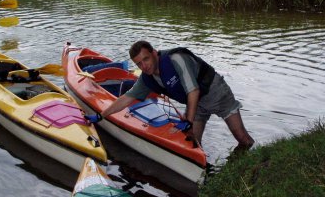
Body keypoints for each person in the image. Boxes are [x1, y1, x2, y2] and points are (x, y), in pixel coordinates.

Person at [101, 40, 254, 150]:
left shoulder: (176, 59)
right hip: (196, 104)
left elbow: (193, 90)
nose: (144, 66)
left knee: (242, 139)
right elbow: (127, 98)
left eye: (146, 59)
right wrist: (102, 115)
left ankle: (254, 159)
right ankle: (202, 172)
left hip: (216, 93)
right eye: (139, 64)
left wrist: (188, 120)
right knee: (192, 143)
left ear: (154, 53)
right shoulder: (146, 78)